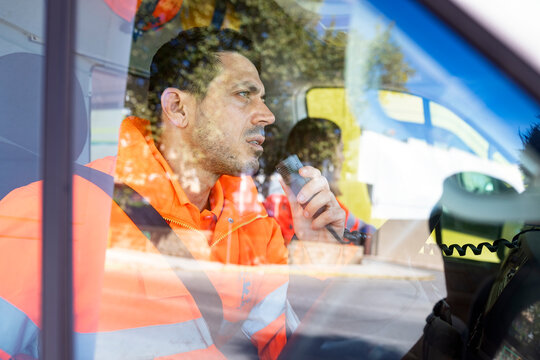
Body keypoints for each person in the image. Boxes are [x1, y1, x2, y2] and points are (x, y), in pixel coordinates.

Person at [0, 28, 345, 359]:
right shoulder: (52, 214)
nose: (267, 115)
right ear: (178, 108)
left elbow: (288, 349)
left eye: (263, 99)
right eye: (243, 94)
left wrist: (319, 256)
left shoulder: (254, 227)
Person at [264, 117, 375, 253]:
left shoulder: (329, 206)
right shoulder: (279, 206)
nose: (342, 158)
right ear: (325, 158)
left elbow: (367, 234)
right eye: (340, 150)